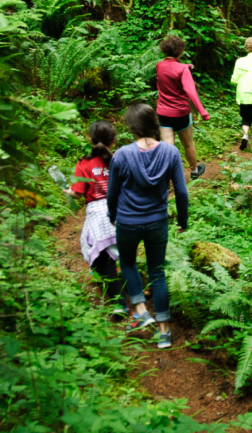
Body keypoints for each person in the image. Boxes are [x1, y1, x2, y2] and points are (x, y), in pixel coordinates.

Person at [107, 103, 189, 350]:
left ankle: (141, 309)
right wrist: (183, 221)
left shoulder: (122, 154)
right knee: (157, 272)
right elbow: (182, 193)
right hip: (157, 223)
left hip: (128, 222)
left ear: (132, 128)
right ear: (154, 125)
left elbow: (112, 192)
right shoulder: (171, 152)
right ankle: (164, 333)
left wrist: (113, 216)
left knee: (128, 263)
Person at [65, 121, 129, 317]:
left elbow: (77, 194)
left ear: (90, 139)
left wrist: (66, 190)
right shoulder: (120, 158)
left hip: (98, 214)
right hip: (123, 208)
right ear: (114, 140)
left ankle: (120, 304)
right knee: (120, 253)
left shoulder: (84, 163)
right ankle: (133, 289)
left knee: (104, 255)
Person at [155, 35, 209, 179]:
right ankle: (194, 171)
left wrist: (184, 67)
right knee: (188, 144)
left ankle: (165, 181)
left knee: (167, 148)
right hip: (180, 114)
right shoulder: (182, 70)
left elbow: (169, 69)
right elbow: (190, 91)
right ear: (180, 51)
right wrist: (202, 111)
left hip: (163, 113)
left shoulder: (159, 66)